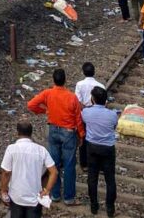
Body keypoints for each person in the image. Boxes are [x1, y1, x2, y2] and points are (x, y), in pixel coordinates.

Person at [26, 69, 84, 205]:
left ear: (53, 80)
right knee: (69, 165)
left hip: (53, 130)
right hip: (69, 133)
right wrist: (81, 135)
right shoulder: (72, 97)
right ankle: (69, 198)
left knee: (54, 164)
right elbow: (78, 119)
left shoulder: (48, 93)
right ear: (65, 80)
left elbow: (31, 105)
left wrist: (44, 111)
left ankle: (55, 195)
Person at [0, 121, 58, 218]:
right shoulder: (41, 150)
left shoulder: (11, 149)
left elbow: (6, 172)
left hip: (16, 195)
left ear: (17, 133)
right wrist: (47, 190)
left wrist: (3, 190)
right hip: (34, 197)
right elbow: (54, 172)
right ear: (31, 133)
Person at [82, 87, 118, 217]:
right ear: (106, 100)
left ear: (92, 99)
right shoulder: (113, 114)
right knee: (110, 178)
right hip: (107, 148)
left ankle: (94, 206)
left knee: (92, 178)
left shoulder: (86, 112)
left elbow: (84, 122)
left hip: (92, 147)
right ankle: (110, 208)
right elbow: (114, 127)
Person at [74, 61, 105, 170]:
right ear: (94, 72)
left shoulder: (79, 84)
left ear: (83, 72)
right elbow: (103, 103)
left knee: (83, 137)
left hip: (84, 114)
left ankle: (84, 164)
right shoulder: (101, 86)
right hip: (97, 115)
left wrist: (86, 109)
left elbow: (77, 102)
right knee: (97, 138)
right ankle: (97, 163)